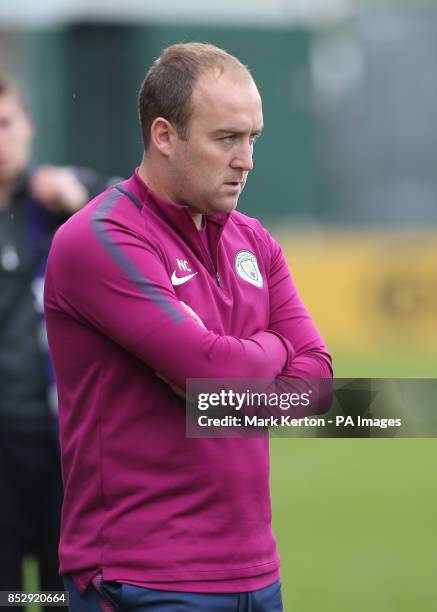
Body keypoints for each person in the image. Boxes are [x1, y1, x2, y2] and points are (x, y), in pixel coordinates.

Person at [44, 43, 332, 611]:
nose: (246, 159)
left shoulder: (255, 240)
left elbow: (317, 385)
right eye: (227, 138)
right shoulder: (100, 238)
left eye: (253, 138)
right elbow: (210, 369)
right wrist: (272, 350)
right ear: (165, 135)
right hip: (144, 579)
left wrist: (220, 386)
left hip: (256, 575)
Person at [0, 73, 109, 609]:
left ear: (29, 126)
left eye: (5, 124)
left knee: (62, 588)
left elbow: (140, 212)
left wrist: (80, 196)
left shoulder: (61, 199)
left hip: (61, 440)